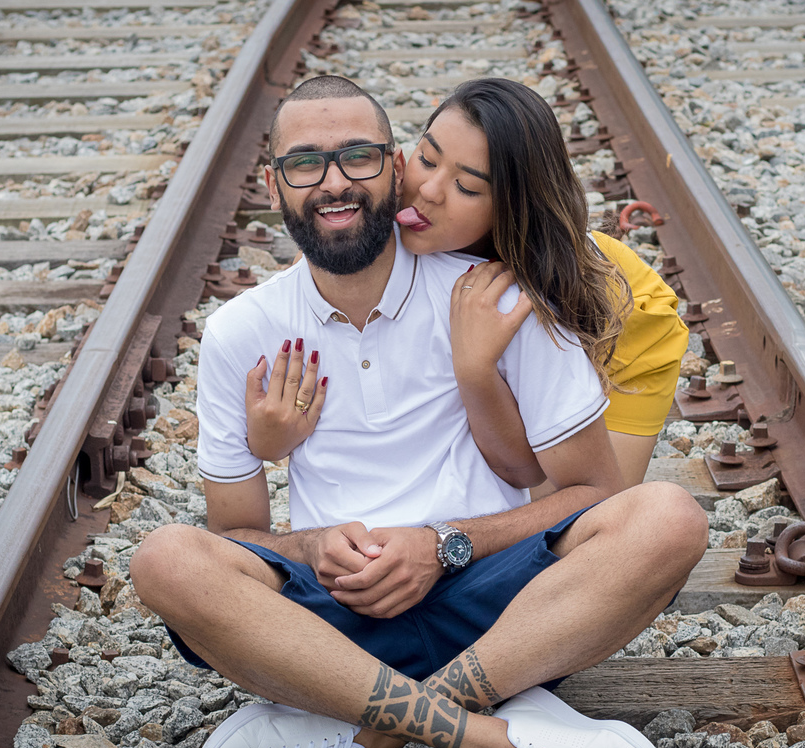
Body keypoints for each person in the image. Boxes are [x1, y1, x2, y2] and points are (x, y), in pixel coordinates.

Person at [130, 76, 707, 748]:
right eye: (306, 164)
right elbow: (236, 537)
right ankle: (488, 733)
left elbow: (591, 493)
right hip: (333, 619)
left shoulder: (494, 295)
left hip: (498, 611)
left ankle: (368, 728)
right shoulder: (241, 333)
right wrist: (313, 544)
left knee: (668, 517)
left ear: (393, 165)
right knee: (166, 560)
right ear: (274, 186)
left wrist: (441, 544)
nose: (334, 183)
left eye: (358, 157)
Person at [246, 78, 689, 491]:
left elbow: (582, 495)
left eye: (467, 186)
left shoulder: (537, 281)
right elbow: (323, 257)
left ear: (510, 209)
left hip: (625, 331)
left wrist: (476, 370)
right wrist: (269, 443)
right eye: (427, 158)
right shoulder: (389, 197)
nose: (430, 191)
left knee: (579, 517)